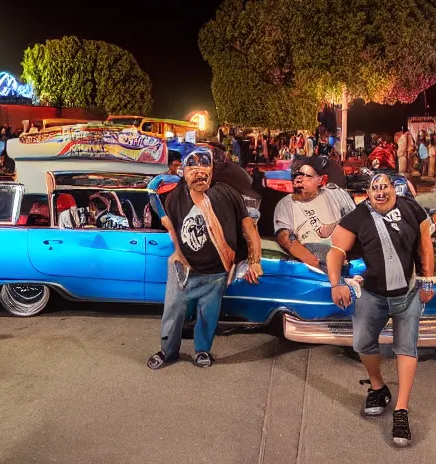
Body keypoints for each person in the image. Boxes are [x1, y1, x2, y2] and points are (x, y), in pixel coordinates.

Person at [327, 174, 435, 446]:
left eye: (384, 187)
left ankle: (401, 410)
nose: (380, 192)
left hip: (407, 294)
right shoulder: (359, 215)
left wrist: (428, 279)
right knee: (362, 343)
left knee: (406, 348)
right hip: (371, 295)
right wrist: (336, 283)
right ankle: (378, 387)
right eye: (374, 188)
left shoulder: (413, 208)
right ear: (367, 192)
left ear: (394, 190)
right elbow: (336, 250)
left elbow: (425, 245)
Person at [147, 147, 264, 369]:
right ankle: (168, 351)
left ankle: (202, 351)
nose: (199, 172)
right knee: (173, 311)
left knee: (208, 314)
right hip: (184, 269)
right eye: (193, 167)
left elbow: (248, 226)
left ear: (212, 169)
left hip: (216, 273)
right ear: (183, 170)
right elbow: (153, 192)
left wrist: (254, 260)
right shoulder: (174, 197)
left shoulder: (227, 193)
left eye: (205, 166)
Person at [274, 156, 355, 270]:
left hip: (345, 259)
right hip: (312, 264)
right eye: (296, 175)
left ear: (321, 180)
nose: (298, 179)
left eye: (305, 176)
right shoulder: (286, 203)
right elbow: (284, 237)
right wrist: (309, 259)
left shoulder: (335, 194)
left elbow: (356, 221)